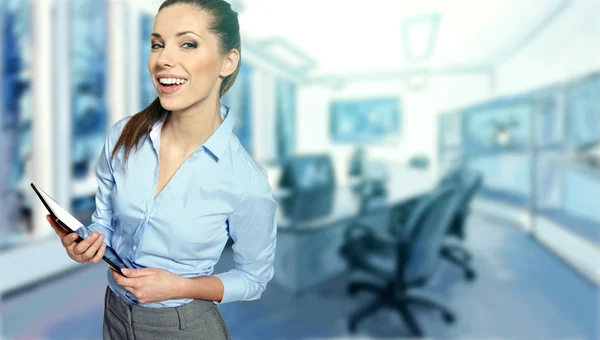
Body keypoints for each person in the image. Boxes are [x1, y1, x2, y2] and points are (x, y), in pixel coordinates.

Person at [46, 0, 277, 338]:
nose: (163, 59)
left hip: (184, 326)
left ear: (228, 61)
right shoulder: (123, 137)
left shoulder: (245, 180)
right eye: (157, 44)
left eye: (188, 44)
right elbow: (105, 222)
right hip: (115, 313)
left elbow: (254, 279)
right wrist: (88, 243)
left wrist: (181, 286)